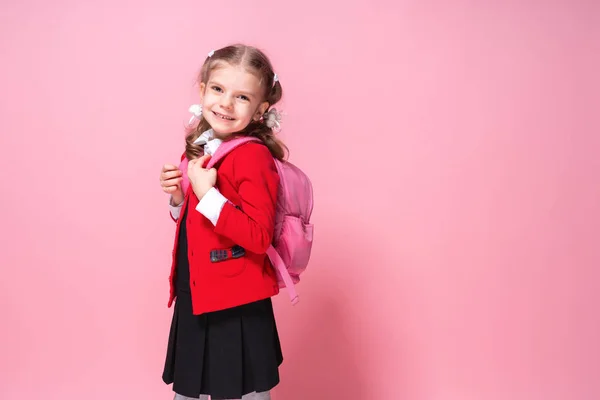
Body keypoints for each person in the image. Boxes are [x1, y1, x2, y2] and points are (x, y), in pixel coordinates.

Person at [158, 44, 286, 400]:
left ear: (261, 109)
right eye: (218, 89)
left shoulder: (253, 156)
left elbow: (259, 237)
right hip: (197, 293)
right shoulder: (201, 147)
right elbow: (196, 228)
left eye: (241, 96)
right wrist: (179, 198)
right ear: (202, 89)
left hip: (236, 303)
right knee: (191, 389)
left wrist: (207, 194)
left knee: (241, 390)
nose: (226, 104)